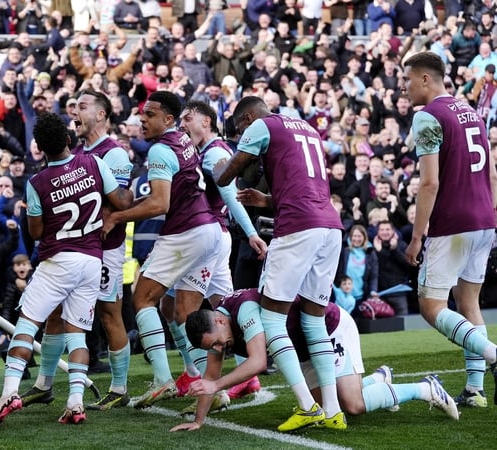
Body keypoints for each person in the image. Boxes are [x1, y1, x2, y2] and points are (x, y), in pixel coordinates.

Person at [0, 112, 132, 428]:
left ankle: (10, 392)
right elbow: (120, 200)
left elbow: (35, 232)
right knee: (77, 332)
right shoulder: (93, 164)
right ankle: (75, 402)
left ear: (39, 147)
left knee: (26, 325)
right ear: (68, 139)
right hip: (93, 261)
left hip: (58, 260)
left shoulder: (37, 182)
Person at [214, 95, 346, 431]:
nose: (241, 135)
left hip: (298, 227)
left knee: (272, 317)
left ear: (246, 118)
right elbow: (305, 187)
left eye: (239, 129)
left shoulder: (260, 125)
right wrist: (265, 201)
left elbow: (227, 174)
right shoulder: (306, 128)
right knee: (314, 320)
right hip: (330, 226)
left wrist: (215, 166)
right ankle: (332, 410)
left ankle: (307, 406)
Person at [170, 289, 459, 431]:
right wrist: (199, 420)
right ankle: (378, 380)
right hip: (302, 348)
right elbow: (209, 377)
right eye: (215, 347)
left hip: (327, 328)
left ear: (220, 320)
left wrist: (217, 384)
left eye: (219, 341)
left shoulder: (243, 311)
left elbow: (258, 362)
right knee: (328, 403)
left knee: (352, 406)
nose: (222, 348)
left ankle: (425, 388)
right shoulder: (217, 328)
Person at [101, 90, 222, 409]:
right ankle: (205, 382)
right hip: (210, 232)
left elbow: (160, 203)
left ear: (169, 119)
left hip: (186, 232)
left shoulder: (159, 150)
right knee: (182, 312)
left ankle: (163, 380)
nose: (142, 118)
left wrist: (118, 216)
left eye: (150, 114)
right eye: (142, 112)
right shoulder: (183, 139)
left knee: (142, 297)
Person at [20, 90, 134, 411]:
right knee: (55, 314)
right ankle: (44, 385)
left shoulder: (114, 155)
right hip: (75, 250)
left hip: (105, 250)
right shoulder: (80, 153)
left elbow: (120, 206)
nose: (74, 112)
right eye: (73, 106)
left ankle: (120, 386)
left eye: (82, 106)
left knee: (110, 314)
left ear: (101, 115)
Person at [402, 51, 497, 408]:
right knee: (468, 303)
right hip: (484, 219)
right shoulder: (472, 112)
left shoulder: (427, 117)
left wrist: (416, 237)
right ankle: (475, 391)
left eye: (408, 79)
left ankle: (493, 354)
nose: (404, 87)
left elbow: (429, 184)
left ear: (425, 79)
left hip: (453, 224)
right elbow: (491, 173)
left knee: (430, 306)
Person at [169, 101, 268, 408]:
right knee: (225, 310)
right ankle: (246, 374)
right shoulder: (204, 152)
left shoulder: (214, 153)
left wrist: (251, 233)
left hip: (208, 238)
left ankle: (200, 378)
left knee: (181, 311)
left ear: (207, 122)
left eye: (189, 118)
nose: (182, 124)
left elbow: (229, 194)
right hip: (215, 237)